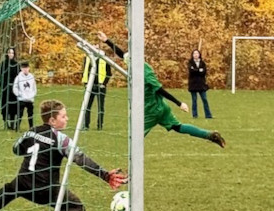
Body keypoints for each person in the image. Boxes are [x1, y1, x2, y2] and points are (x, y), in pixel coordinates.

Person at [0, 99, 128, 211]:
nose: (67, 119)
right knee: (78, 209)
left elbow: (16, 149)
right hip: (47, 190)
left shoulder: (30, 132)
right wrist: (105, 175)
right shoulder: (61, 139)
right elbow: (81, 160)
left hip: (23, 184)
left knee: (5, 191)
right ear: (52, 121)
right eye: (63, 116)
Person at [97, 31, 225, 148]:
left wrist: (179, 103)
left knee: (134, 138)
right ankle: (209, 135)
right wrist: (106, 40)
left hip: (151, 110)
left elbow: (159, 89)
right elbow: (122, 54)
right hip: (161, 107)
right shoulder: (134, 62)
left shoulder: (144, 71)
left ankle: (128, 170)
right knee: (177, 126)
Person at [81, 51, 112, 130]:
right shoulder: (87, 58)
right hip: (89, 86)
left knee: (100, 107)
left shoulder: (105, 59)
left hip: (100, 87)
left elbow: (109, 73)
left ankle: (100, 126)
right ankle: (86, 125)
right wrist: (85, 83)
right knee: (87, 106)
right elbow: (84, 71)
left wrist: (104, 83)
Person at [0, 47, 19, 129]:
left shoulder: (16, 65)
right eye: (9, 53)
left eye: (12, 53)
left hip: (14, 89)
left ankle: (13, 123)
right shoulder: (2, 65)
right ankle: (6, 123)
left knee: (13, 106)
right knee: (5, 106)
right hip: (5, 89)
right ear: (7, 54)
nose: (10, 54)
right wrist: (2, 84)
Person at [187, 49, 213, 118]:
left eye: (197, 53)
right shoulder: (190, 63)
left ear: (199, 55)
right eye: (194, 53)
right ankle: (195, 115)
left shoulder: (202, 63)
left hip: (201, 85)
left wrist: (196, 71)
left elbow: (203, 72)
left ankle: (208, 115)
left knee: (205, 99)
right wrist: (198, 70)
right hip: (193, 85)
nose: (196, 55)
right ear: (192, 55)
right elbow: (192, 71)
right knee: (194, 100)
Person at [12, 60, 37, 128]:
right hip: (21, 99)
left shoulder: (31, 77)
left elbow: (34, 87)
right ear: (21, 68)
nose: (25, 69)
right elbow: (15, 87)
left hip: (30, 99)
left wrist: (32, 95)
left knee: (30, 114)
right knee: (20, 114)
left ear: (29, 68)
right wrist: (19, 94)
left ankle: (31, 127)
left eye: (26, 68)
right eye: (23, 68)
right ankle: (17, 127)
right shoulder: (18, 77)